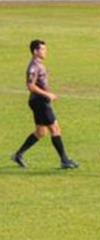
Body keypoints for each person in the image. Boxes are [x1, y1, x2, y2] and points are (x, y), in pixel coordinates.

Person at [10, 40, 79, 169]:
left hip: (39, 101)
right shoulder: (34, 66)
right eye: (42, 49)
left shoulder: (39, 65)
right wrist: (47, 95)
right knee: (55, 129)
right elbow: (30, 85)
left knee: (41, 132)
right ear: (35, 51)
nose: (45, 51)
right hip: (39, 102)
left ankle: (18, 155)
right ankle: (64, 160)